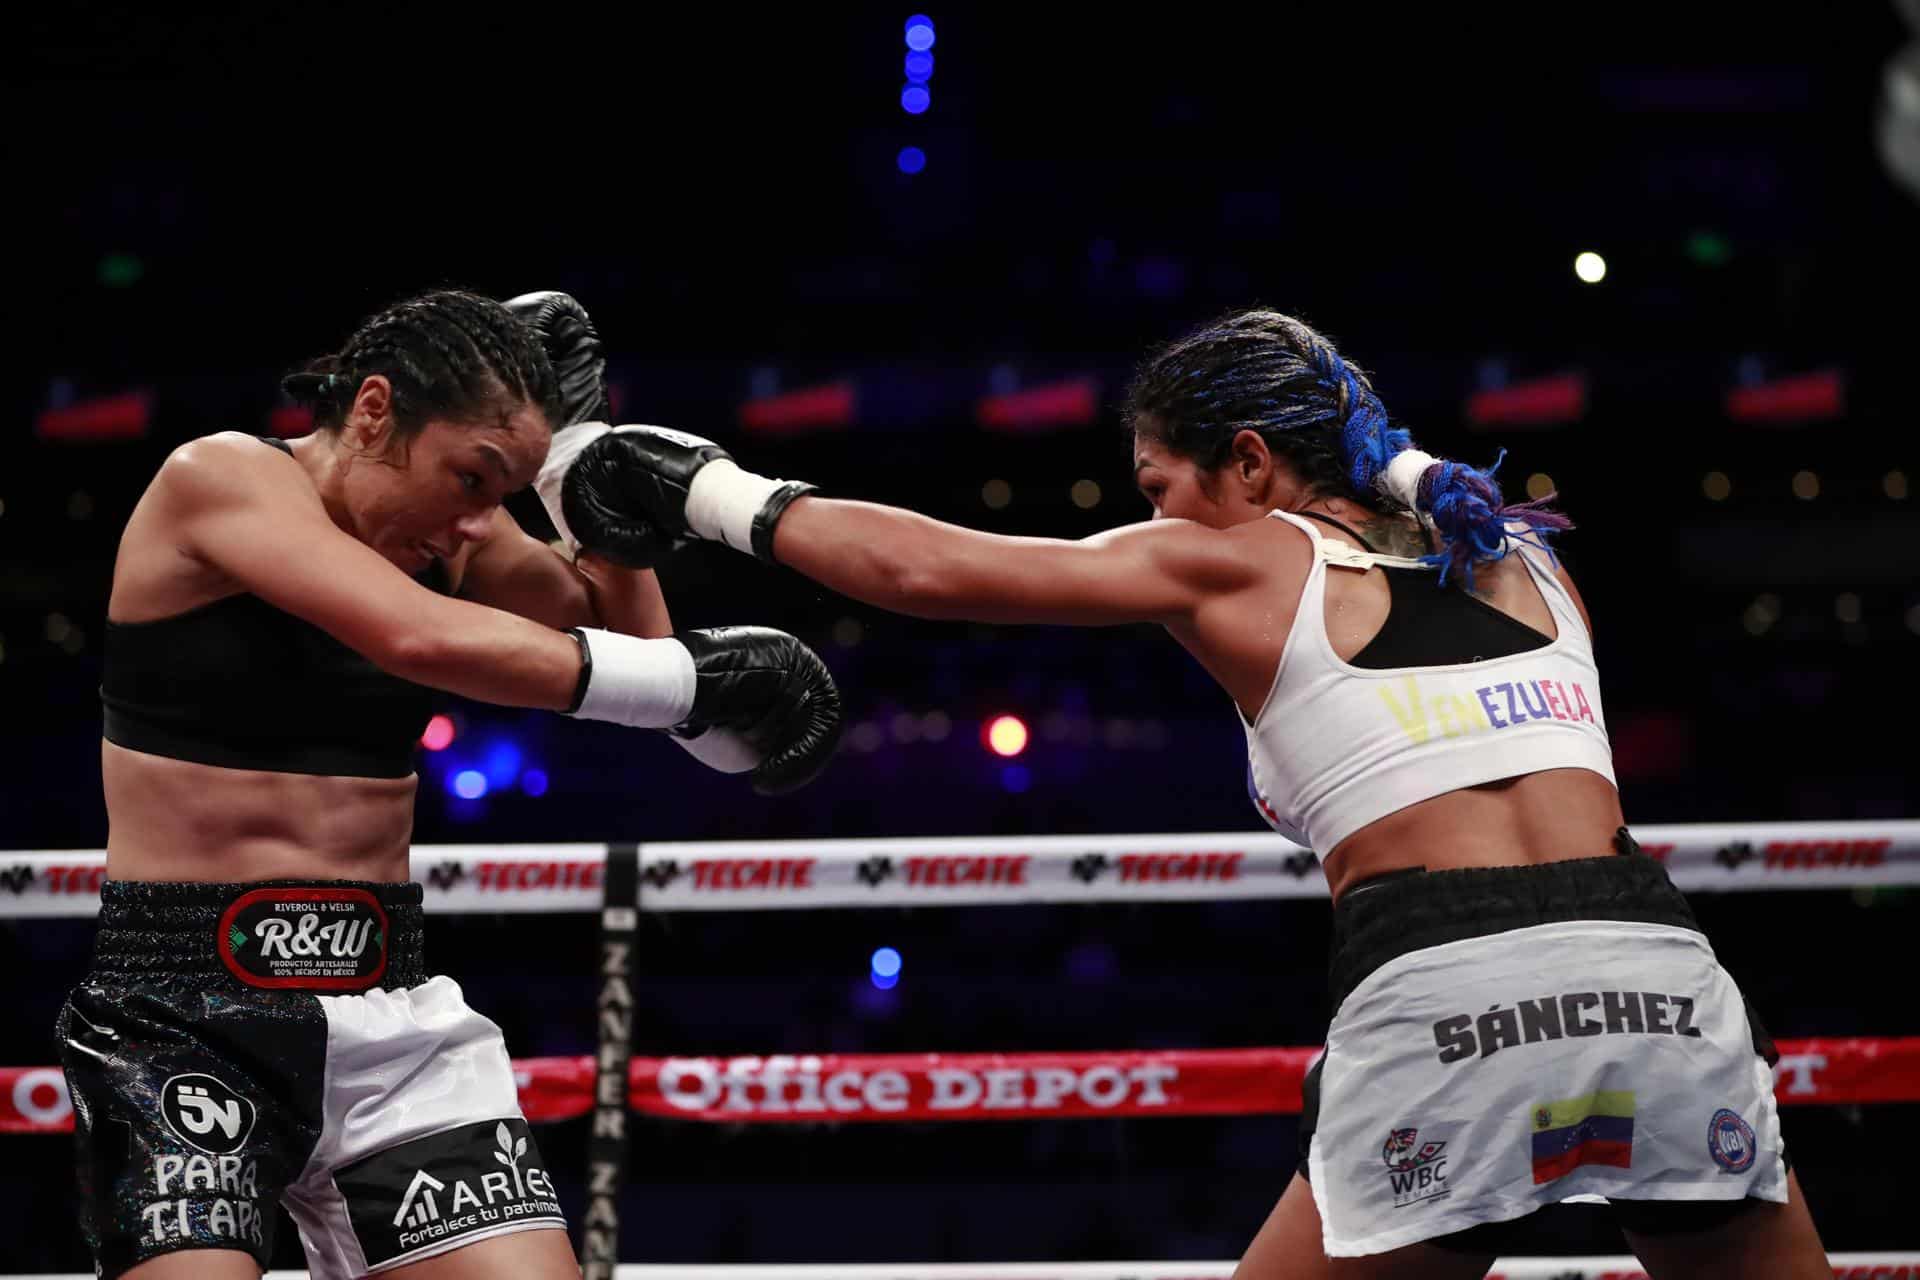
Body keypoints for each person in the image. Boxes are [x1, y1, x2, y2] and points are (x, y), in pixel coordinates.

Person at [535, 308, 1828, 1279]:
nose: (1152, 517)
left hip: (1457, 980)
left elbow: (936, 569)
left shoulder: (1252, 563)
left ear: (1251, 463)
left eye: (1161, 488)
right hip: (1665, 974)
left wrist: (706, 491)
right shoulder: (1529, 564)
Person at [57, 288, 841, 1280]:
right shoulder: (220, 478)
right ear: (375, 411)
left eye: (500, 490)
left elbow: (632, 651)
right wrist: (687, 680)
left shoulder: (455, 537)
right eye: (471, 476)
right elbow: (415, 634)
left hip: (388, 1004)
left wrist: (581, 477)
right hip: (182, 1009)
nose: (478, 518)